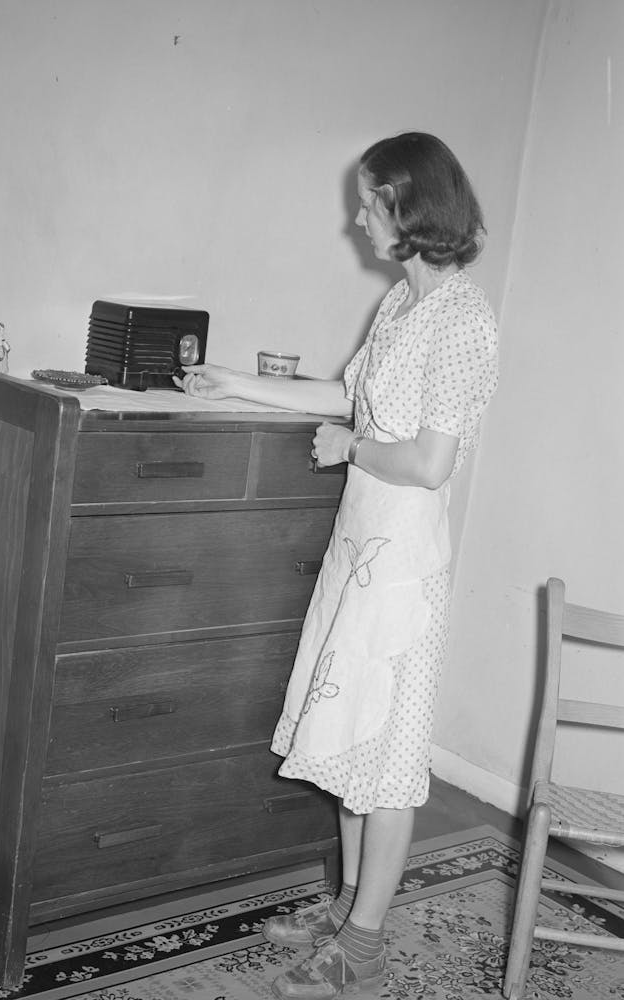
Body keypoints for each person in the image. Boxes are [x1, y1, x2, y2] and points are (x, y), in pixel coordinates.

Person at [177, 131, 498, 999]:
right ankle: (354, 902)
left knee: (386, 756)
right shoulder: (400, 305)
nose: (356, 218)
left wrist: (354, 444)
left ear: (411, 209)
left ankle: (362, 945)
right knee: (350, 737)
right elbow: (342, 395)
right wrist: (236, 380)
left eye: (370, 202)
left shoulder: (465, 318)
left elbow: (432, 461)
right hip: (360, 547)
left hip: (402, 566)